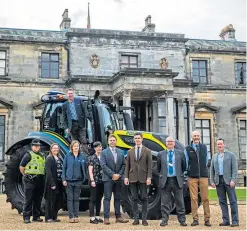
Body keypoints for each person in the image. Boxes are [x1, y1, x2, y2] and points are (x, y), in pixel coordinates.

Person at [157, 136, 187, 226]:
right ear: (166, 143)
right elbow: (159, 168)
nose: (170, 143)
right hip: (165, 181)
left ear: (174, 143)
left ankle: (182, 220)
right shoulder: (160, 154)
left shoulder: (181, 154)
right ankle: (164, 220)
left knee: (180, 201)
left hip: (177, 180)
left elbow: (184, 166)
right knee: (165, 202)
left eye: (171, 141)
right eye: (168, 141)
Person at [124, 132, 152, 226]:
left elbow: (150, 166)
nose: (137, 140)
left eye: (138, 138)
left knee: (144, 198)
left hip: (143, 178)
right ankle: (136, 218)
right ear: (134, 140)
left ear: (142, 139)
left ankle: (144, 219)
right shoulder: (130, 151)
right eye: (135, 138)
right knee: (134, 198)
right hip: (132, 177)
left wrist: (149, 177)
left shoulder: (147, 151)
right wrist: (126, 177)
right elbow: (127, 165)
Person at [184, 130, 211, 227]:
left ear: (199, 137)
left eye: (197, 136)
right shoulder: (187, 148)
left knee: (205, 198)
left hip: (203, 176)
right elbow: (186, 162)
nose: (196, 137)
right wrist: (188, 171)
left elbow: (207, 160)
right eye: (194, 136)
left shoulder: (204, 147)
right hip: (192, 177)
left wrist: (204, 169)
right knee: (194, 198)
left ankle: (207, 220)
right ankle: (195, 219)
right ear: (192, 137)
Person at [210, 138, 239, 227]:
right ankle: (226, 220)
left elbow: (234, 169)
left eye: (221, 144)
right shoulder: (214, 156)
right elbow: (212, 170)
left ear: (224, 144)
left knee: (233, 201)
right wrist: (212, 181)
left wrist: (233, 180)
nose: (219, 145)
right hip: (218, 181)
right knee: (222, 201)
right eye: (218, 144)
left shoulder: (231, 155)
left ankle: (235, 221)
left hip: (229, 181)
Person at [100, 135, 129, 225]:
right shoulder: (104, 152)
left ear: (116, 142)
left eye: (114, 140)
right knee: (107, 198)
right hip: (108, 179)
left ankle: (118, 217)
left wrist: (119, 175)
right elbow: (103, 165)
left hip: (118, 179)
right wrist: (112, 174)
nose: (112, 141)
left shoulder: (120, 152)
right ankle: (106, 218)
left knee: (117, 198)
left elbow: (124, 165)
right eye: (111, 140)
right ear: (108, 142)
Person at [19, 139, 45, 224]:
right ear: (32, 146)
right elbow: (22, 166)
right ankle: (26, 217)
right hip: (30, 179)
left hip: (40, 179)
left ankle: (36, 216)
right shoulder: (28, 155)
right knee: (28, 199)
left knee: (38, 199)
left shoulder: (42, 155)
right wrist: (25, 175)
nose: (37, 147)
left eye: (38, 146)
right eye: (35, 146)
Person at [62, 140, 87, 223]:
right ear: (71, 147)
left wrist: (84, 178)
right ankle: (71, 216)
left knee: (76, 199)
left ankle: (76, 216)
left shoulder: (82, 156)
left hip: (78, 181)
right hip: (69, 181)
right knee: (70, 199)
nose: (76, 147)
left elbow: (85, 168)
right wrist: (64, 179)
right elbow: (64, 168)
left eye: (77, 146)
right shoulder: (67, 156)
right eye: (74, 146)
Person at [62, 88, 88, 154]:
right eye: (69, 93)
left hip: (81, 123)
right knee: (74, 142)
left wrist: (86, 122)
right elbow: (64, 118)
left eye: (71, 93)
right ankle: (76, 155)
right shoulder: (65, 105)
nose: (70, 95)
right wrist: (66, 128)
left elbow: (85, 112)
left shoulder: (79, 101)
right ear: (67, 95)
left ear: (73, 94)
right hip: (72, 125)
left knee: (83, 140)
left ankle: (85, 156)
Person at [44, 143, 63, 222]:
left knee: (56, 200)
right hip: (51, 183)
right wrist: (52, 183)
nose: (56, 149)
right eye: (54, 148)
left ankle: (54, 217)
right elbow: (48, 172)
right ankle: (48, 218)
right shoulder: (49, 158)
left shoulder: (58, 158)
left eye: (57, 148)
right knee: (50, 201)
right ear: (51, 149)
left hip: (58, 182)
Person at [88, 141, 104, 224]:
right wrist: (92, 180)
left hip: (102, 181)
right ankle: (92, 217)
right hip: (94, 180)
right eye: (97, 147)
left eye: (100, 146)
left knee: (99, 199)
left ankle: (97, 216)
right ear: (94, 148)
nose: (99, 148)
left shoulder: (103, 157)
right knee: (93, 199)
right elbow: (90, 170)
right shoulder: (91, 158)